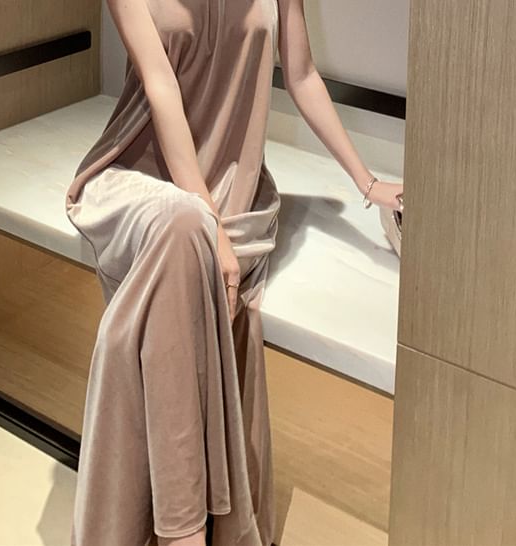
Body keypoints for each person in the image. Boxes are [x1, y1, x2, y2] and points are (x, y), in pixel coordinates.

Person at [63, 0, 404, 545]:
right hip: (142, 175)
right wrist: (210, 227)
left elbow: (302, 75)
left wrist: (368, 183)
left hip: (233, 191)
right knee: (183, 229)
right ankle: (185, 533)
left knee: (187, 249)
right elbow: (160, 86)